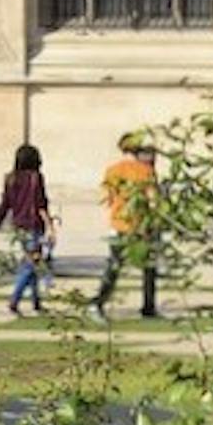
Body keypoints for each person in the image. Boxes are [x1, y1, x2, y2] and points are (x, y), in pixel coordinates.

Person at [90, 134, 161, 320]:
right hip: (141, 227)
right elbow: (153, 200)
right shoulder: (145, 172)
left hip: (118, 224)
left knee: (114, 267)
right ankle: (148, 307)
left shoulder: (112, 170)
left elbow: (107, 197)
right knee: (149, 268)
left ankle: (98, 302)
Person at [0, 144, 54, 317]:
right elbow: (41, 204)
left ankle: (36, 302)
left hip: (18, 227)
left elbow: (5, 205)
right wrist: (50, 226)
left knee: (34, 264)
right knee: (30, 265)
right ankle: (14, 301)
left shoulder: (10, 178)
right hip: (33, 225)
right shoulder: (36, 178)